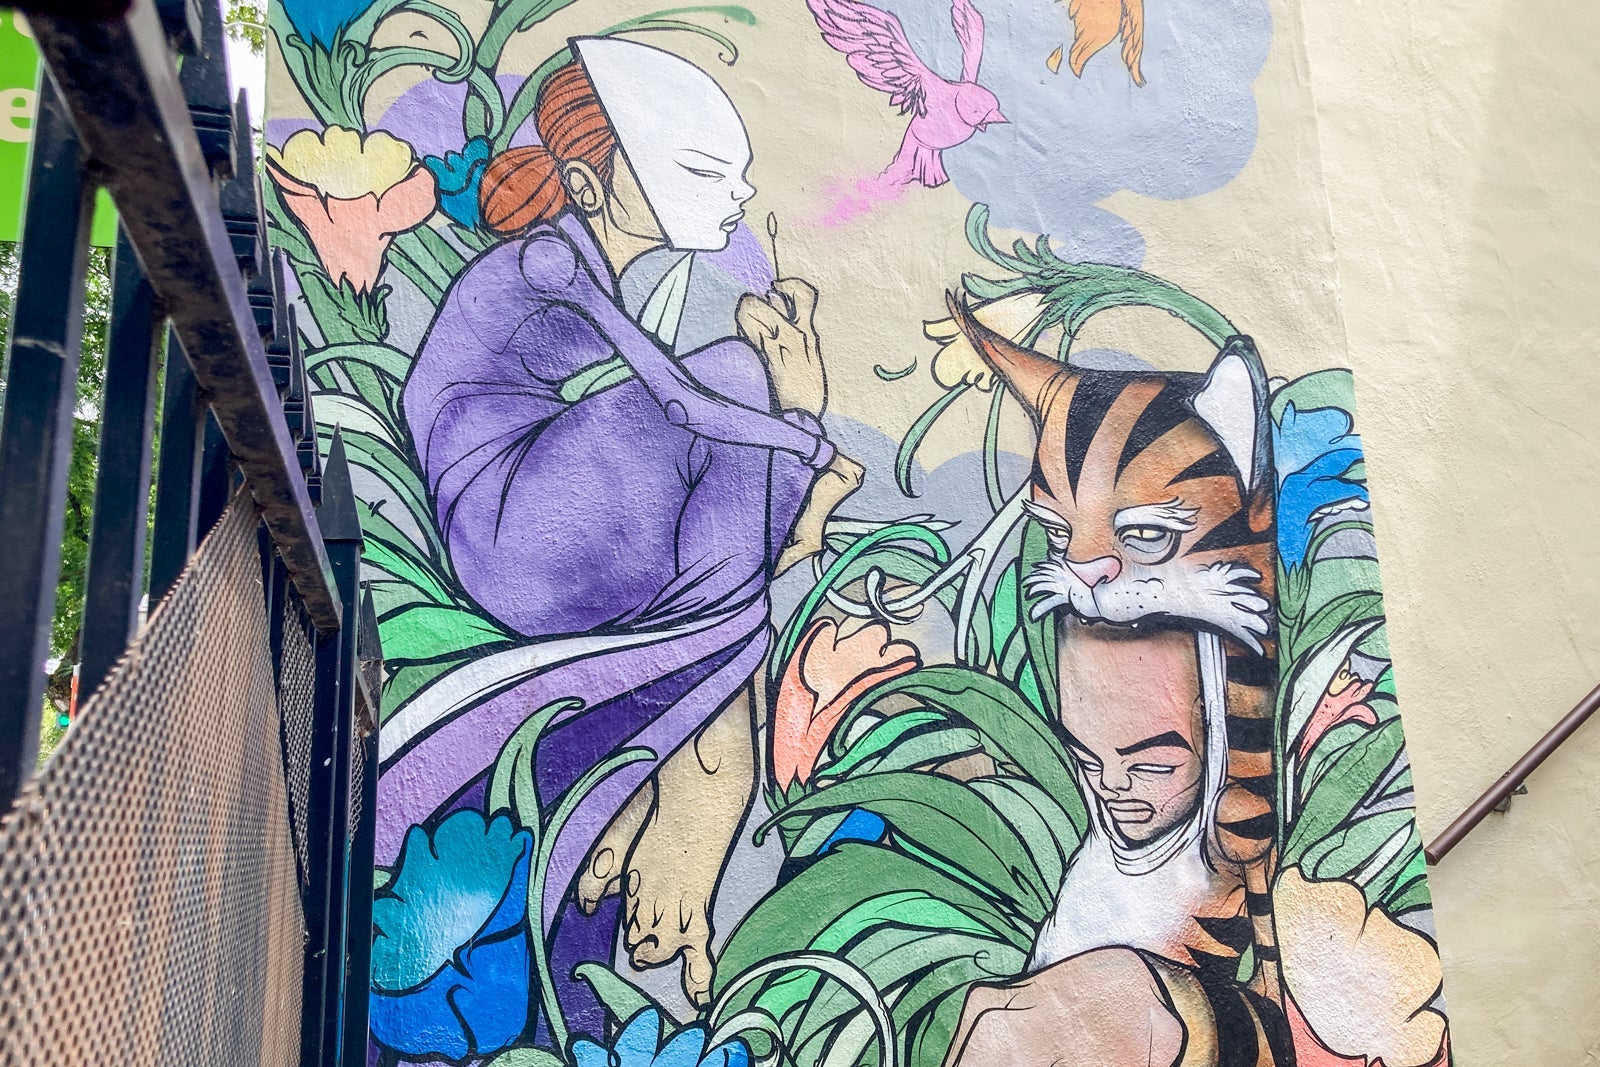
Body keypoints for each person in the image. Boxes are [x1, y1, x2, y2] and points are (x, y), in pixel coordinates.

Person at [400, 38, 861, 1036]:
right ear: (587, 185)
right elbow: (684, 404)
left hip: (536, 517)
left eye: (736, 172)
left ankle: (691, 715)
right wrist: (804, 419)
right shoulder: (553, 258)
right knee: (735, 379)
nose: (737, 195)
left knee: (735, 400)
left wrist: (790, 440)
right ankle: (701, 729)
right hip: (506, 525)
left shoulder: (588, 264)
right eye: (700, 170)